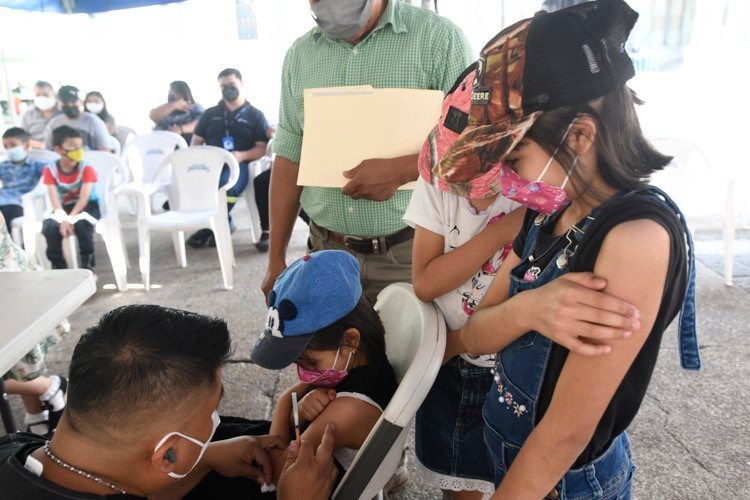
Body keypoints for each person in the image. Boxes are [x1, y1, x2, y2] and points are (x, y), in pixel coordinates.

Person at [431, 1, 700, 498]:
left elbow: (563, 436)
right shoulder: (546, 211)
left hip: (562, 483)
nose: (505, 179)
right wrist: (532, 308)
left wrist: (511, 312)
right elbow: (474, 333)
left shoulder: (635, 239)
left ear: (578, 136)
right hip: (510, 460)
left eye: (514, 158)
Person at [0, 304, 338, 500]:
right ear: (167, 455)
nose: (213, 425)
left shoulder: (15, 450)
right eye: (211, 413)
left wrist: (205, 458)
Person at [262, 0, 474, 303]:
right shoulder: (300, 55)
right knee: (333, 349)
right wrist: (275, 260)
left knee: (410, 348)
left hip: (412, 252)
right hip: (326, 250)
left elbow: (471, 140)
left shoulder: (437, 38)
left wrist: (402, 170)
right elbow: (288, 156)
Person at [402, 63, 525, 499]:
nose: (458, 187)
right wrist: (500, 232)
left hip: (512, 367)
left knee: (521, 477)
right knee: (460, 481)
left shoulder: (531, 190)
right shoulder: (434, 186)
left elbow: (515, 298)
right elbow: (425, 282)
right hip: (449, 361)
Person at [251, 249, 398, 485]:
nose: (303, 373)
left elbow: (278, 476)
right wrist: (295, 410)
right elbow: (295, 394)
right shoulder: (352, 363)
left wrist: (286, 411)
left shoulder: (349, 410)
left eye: (309, 363)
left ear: (350, 341)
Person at [189, 68, 273, 251]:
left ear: (242, 84)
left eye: (232, 85)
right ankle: (222, 223)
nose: (228, 89)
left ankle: (211, 226)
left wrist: (241, 155)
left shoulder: (255, 115)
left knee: (227, 185)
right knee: (191, 185)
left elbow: (261, 148)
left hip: (238, 164)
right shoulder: (210, 114)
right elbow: (196, 141)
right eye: (223, 86)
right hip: (210, 165)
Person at [1, 212, 69, 438]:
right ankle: (39, 415)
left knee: (20, 360)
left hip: (9, 288)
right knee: (20, 366)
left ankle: (48, 387)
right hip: (10, 284)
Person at [41, 126, 99, 271]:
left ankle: (87, 266)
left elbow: (84, 199)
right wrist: (62, 218)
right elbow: (54, 200)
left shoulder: (86, 168)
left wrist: (69, 219)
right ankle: (60, 267)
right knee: (49, 226)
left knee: (82, 224)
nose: (78, 150)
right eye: (73, 146)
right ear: (59, 150)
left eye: (80, 146)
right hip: (63, 208)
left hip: (87, 206)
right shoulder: (50, 170)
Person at [0, 127, 46, 226]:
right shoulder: (2, 166)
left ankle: (8, 241)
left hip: (20, 205)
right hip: (2, 202)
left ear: (26, 145)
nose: (9, 149)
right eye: (5, 146)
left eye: (13, 145)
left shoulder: (38, 165)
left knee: (6, 214)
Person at [44, 86, 112, 152]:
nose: (70, 105)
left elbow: (105, 150)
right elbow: (48, 150)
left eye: (73, 101)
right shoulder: (53, 124)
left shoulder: (94, 121)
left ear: (80, 101)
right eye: (65, 102)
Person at [21, 81, 61, 149]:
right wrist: (40, 145)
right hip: (36, 154)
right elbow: (21, 137)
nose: (42, 98)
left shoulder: (63, 112)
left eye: (45, 95)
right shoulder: (28, 115)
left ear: (54, 94)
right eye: (38, 95)